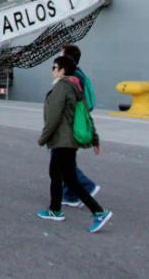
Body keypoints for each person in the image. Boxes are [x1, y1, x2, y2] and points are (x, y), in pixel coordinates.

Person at [36, 55, 112, 233]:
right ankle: (55, 209)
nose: (52, 70)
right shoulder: (76, 87)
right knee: (56, 173)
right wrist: (95, 139)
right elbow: (85, 115)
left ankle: (99, 212)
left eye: (54, 67)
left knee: (69, 179)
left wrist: (43, 138)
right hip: (70, 141)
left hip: (62, 140)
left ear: (62, 70)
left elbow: (53, 117)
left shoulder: (61, 88)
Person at [60, 44, 100, 207]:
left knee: (61, 161)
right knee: (67, 161)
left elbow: (69, 104)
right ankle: (70, 195)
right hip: (75, 124)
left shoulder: (71, 78)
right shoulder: (79, 74)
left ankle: (87, 186)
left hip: (69, 126)